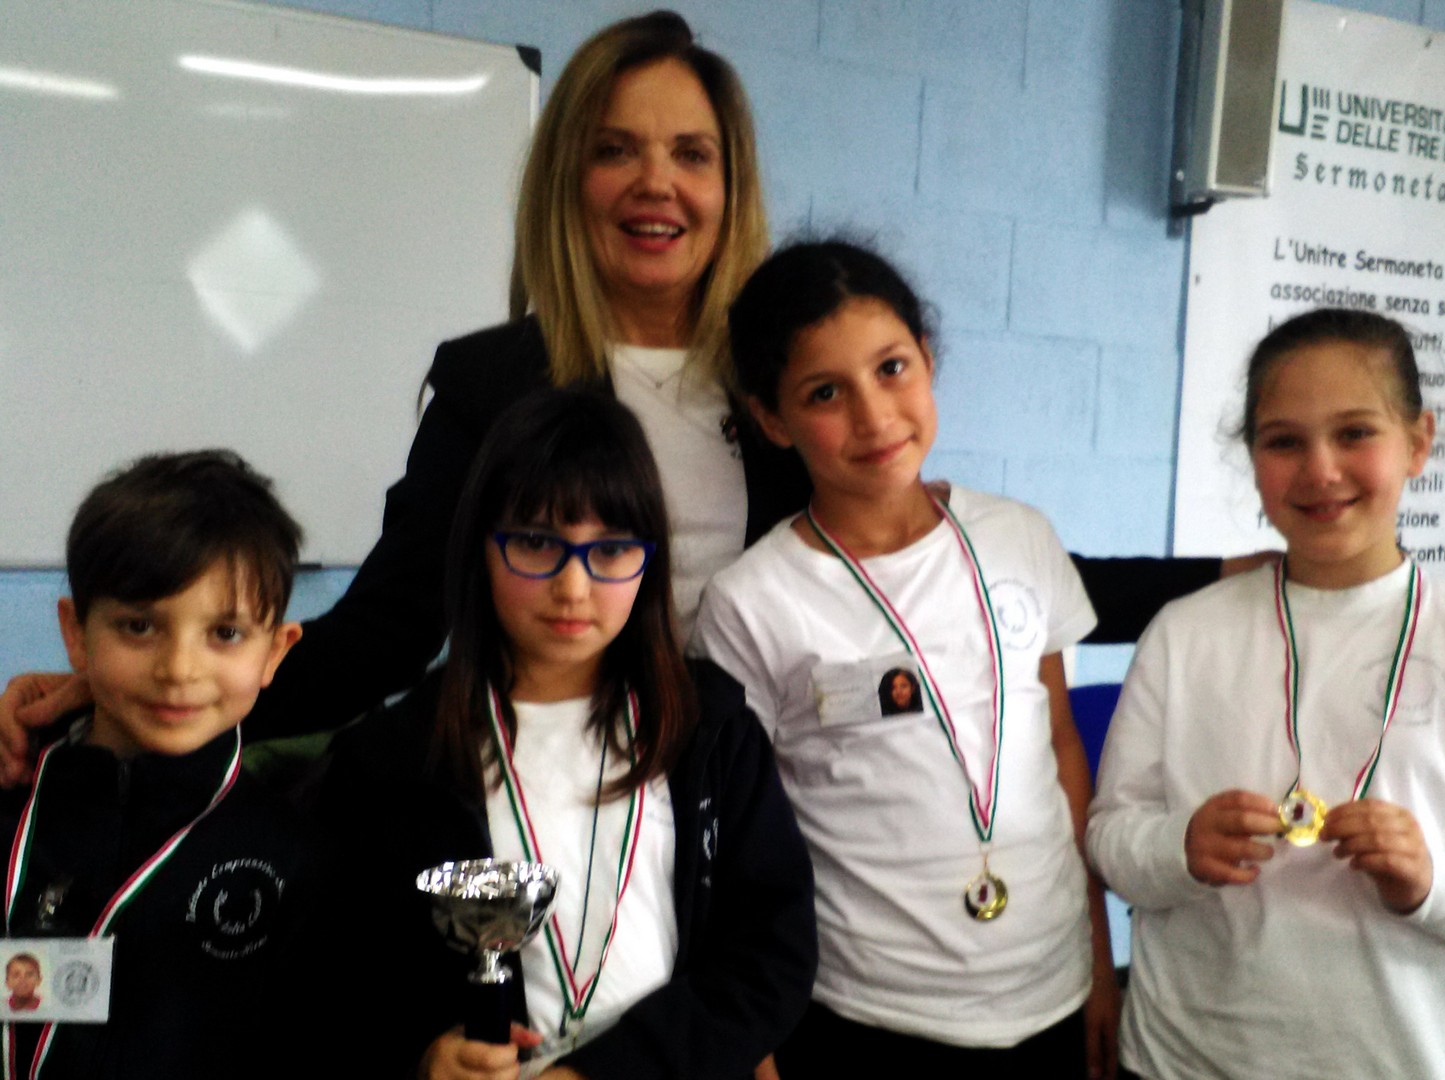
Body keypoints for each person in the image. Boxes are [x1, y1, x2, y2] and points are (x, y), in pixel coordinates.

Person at [0, 9, 1231, 783]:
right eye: (615, 149)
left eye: (692, 153)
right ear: (569, 177)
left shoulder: (785, 392)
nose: (657, 184)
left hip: (751, 797)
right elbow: (385, 629)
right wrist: (129, 696)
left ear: (730, 183)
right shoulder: (494, 382)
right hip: (537, 799)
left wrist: (1234, 574)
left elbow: (966, 565)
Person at [693, 241, 1118, 1075]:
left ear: (926, 360)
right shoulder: (752, 602)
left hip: (1053, 994)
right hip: (863, 1018)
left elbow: (1061, 746)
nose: (873, 415)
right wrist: (757, 1042)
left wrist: (1100, 959)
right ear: (771, 420)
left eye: (890, 368)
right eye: (824, 393)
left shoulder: (1020, 537)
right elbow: (731, 846)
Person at [318, 389, 816, 1080]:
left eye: (610, 550)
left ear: (649, 560)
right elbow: (340, 976)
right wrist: (424, 1054)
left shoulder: (709, 729)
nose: (573, 587)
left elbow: (772, 952)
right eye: (535, 543)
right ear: (481, 547)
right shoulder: (391, 760)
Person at [1086, 308, 1445, 1078]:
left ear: (1418, 441)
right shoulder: (1184, 632)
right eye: (1283, 441)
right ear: (1250, 458)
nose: (1320, 470)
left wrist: (1428, 883)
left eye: (1354, 432)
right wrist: (1178, 848)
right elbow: (1111, 836)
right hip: (1184, 1059)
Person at [0, 451, 331, 1079]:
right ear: (76, 633)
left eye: (225, 634)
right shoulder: (13, 806)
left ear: (275, 652)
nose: (178, 669)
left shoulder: (293, 859)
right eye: (138, 626)